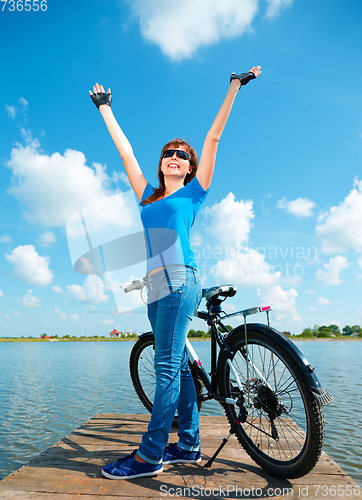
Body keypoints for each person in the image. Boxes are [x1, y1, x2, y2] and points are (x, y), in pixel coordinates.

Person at [89, 66, 261, 480]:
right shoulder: (148, 196)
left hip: (181, 279)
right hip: (154, 287)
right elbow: (126, 153)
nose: (174, 158)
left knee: (165, 365)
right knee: (179, 366)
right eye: (168, 153)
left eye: (182, 155)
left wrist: (234, 86)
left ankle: (149, 457)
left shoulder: (194, 192)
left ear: (189, 167)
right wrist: (105, 109)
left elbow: (214, 136)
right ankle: (187, 445)